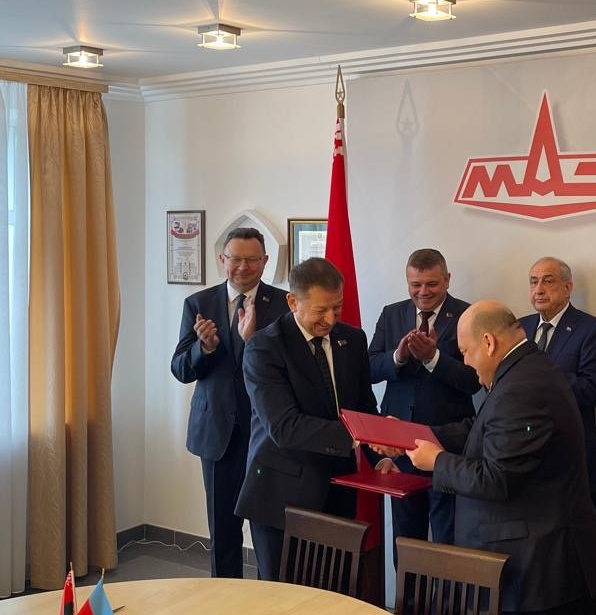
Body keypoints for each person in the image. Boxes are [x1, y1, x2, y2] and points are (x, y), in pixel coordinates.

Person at [405, 302, 596, 615]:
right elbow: (483, 429)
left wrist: (438, 463)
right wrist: (413, 436)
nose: (466, 363)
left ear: (488, 342)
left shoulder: (522, 388)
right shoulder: (525, 369)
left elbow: (498, 478)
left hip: (541, 572)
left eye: (465, 352)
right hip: (548, 564)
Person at [234, 257, 392, 581]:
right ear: (293, 302)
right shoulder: (265, 347)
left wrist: (381, 451)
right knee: (284, 597)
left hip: (339, 488)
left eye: (338, 307)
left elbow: (363, 407)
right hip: (282, 495)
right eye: (321, 310)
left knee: (335, 589)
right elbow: (284, 427)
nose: (330, 319)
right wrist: (357, 436)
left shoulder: (353, 340)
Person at [170, 227, 288, 578]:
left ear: (265, 261)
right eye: (235, 259)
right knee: (222, 530)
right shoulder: (199, 304)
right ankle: (224, 598)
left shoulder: (285, 304)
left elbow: (290, 368)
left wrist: (253, 341)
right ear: (223, 259)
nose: (243, 267)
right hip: (217, 433)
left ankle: (272, 598)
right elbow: (180, 369)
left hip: (267, 434)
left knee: (270, 533)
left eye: (252, 260)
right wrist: (204, 348)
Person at [521, 256, 596, 615]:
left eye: (548, 281)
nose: (539, 289)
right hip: (527, 470)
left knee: (578, 571)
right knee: (540, 575)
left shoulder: (592, 330)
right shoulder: (519, 328)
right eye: (533, 281)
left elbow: (590, 390)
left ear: (568, 287)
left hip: (575, 470)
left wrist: (535, 376)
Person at [369, 248, 477, 549]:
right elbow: (369, 368)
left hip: (447, 445)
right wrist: (398, 357)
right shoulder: (392, 313)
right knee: (405, 539)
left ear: (447, 280)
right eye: (415, 284)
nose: (423, 292)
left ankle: (445, 584)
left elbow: (474, 381)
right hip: (399, 446)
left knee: (447, 539)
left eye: (431, 284)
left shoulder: (468, 315)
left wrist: (434, 359)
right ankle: (407, 585)